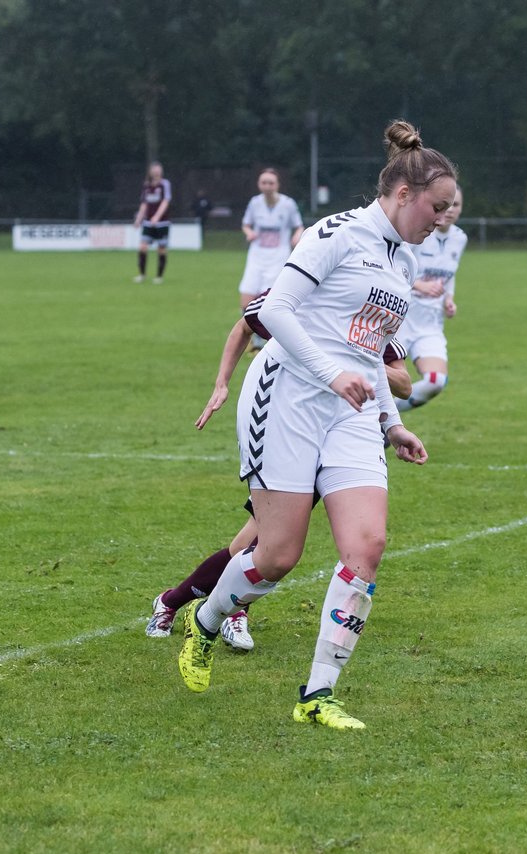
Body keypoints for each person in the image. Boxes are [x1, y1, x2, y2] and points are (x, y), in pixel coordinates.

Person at [173, 119, 456, 732]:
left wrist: (390, 423)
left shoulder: (402, 262)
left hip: (350, 413)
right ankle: (204, 623)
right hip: (288, 397)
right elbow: (272, 310)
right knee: (276, 556)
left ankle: (317, 696)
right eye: (436, 207)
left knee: (367, 547)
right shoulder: (337, 232)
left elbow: (371, 354)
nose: (441, 220)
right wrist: (330, 374)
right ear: (403, 194)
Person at [146, 290, 412, 650]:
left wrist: (360, 353)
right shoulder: (301, 291)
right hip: (289, 426)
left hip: (344, 436)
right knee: (257, 545)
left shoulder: (374, 307)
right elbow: (244, 326)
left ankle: (210, 608)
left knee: (266, 545)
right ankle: (181, 604)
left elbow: (404, 382)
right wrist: (221, 384)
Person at [396, 184, 466, 411]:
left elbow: (449, 277)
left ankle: (386, 419)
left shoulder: (459, 239)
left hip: (430, 325)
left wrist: (449, 299)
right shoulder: (420, 233)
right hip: (401, 321)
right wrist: (420, 285)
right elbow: (395, 272)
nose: (450, 210)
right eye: (446, 205)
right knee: (379, 380)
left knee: (435, 382)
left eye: (456, 205)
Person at [238, 169, 304, 348]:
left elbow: (298, 226)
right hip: (257, 256)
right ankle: (254, 337)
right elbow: (246, 224)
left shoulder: (288, 204)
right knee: (246, 300)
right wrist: (249, 232)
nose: (267, 186)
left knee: (268, 300)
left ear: (277, 185)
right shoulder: (255, 203)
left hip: (278, 257)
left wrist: (297, 235)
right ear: (259, 184)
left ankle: (266, 340)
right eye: (264, 182)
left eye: (271, 183)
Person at [132, 162, 171, 284]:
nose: (157, 172)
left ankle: (159, 277)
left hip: (162, 223)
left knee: (161, 249)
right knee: (142, 247)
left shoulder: (165, 184)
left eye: (159, 170)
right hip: (148, 222)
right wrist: (139, 219)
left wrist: (157, 216)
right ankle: (142, 275)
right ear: (151, 172)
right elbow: (144, 204)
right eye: (154, 170)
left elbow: (165, 201)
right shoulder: (147, 186)